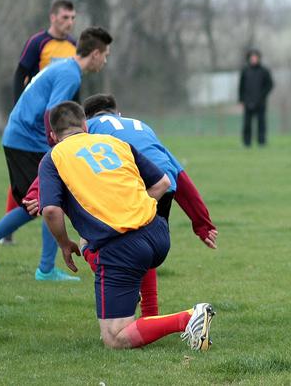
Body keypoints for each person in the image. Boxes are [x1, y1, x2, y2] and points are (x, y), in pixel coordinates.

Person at [38, 101, 216, 350]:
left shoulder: (53, 157)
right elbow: (163, 183)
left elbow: (50, 210)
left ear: (52, 135)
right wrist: (137, 207)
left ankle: (188, 318)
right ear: (85, 125)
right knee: (91, 242)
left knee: (115, 337)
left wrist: (63, 243)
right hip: (158, 234)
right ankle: (132, 298)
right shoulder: (117, 143)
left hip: (122, 248)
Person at [0, 27, 112, 281]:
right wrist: (57, 149)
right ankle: (44, 269)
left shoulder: (66, 67)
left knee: (43, 200)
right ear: (96, 54)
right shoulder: (71, 74)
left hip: (22, 138)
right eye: (106, 55)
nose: (105, 61)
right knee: (42, 201)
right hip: (26, 140)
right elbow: (50, 113)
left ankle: (45, 267)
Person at [82, 93, 218, 316]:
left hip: (134, 184)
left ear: (85, 118)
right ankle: (150, 314)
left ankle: (121, 284)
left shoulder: (88, 128)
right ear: (118, 114)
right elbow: (180, 175)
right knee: (145, 246)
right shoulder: (141, 126)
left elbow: (62, 157)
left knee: (90, 241)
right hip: (164, 185)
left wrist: (38, 193)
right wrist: (201, 223)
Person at [0, 0, 77, 246]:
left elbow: (70, 91)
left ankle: (45, 263)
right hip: (33, 124)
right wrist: (17, 107)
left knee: (42, 185)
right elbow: (20, 74)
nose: (70, 22)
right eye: (65, 17)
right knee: (39, 188)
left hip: (54, 123)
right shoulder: (38, 42)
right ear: (53, 17)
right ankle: (5, 234)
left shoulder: (74, 47)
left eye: (73, 18)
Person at [238, 49, 274, 147]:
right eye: (252, 57)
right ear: (249, 58)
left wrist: (263, 95)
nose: (253, 59)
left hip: (260, 102)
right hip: (248, 101)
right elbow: (241, 86)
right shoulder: (245, 71)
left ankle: (261, 142)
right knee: (247, 124)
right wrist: (241, 100)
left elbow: (270, 85)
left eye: (255, 57)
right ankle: (246, 143)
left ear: (258, 58)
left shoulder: (264, 71)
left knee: (261, 123)